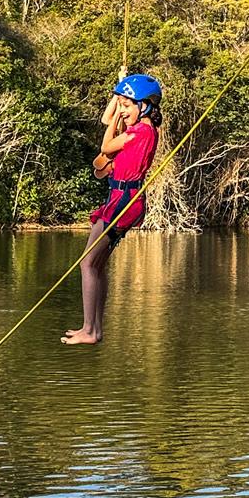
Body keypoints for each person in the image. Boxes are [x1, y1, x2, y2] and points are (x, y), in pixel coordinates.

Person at [62, 74, 163, 345]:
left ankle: (90, 329)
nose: (122, 111)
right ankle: (94, 329)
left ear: (145, 107)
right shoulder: (138, 128)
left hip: (123, 201)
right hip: (119, 199)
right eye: (122, 105)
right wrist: (119, 93)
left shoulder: (141, 131)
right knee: (97, 264)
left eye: (127, 106)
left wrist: (119, 108)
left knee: (86, 264)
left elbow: (107, 145)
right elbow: (109, 120)